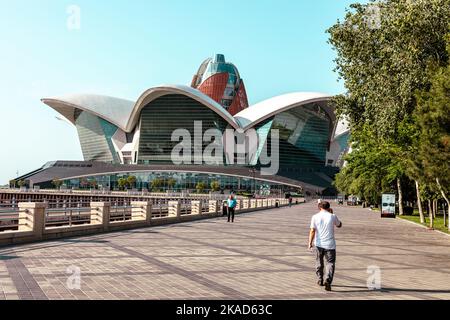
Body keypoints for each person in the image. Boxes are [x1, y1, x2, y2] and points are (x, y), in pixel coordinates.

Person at [308, 201, 342, 291]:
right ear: (329, 207)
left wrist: (310, 243)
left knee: (319, 262)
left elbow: (312, 231)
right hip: (330, 245)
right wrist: (332, 214)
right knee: (330, 263)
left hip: (319, 244)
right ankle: (328, 280)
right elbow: (339, 225)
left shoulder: (314, 217)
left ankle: (320, 279)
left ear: (320, 207)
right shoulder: (332, 216)